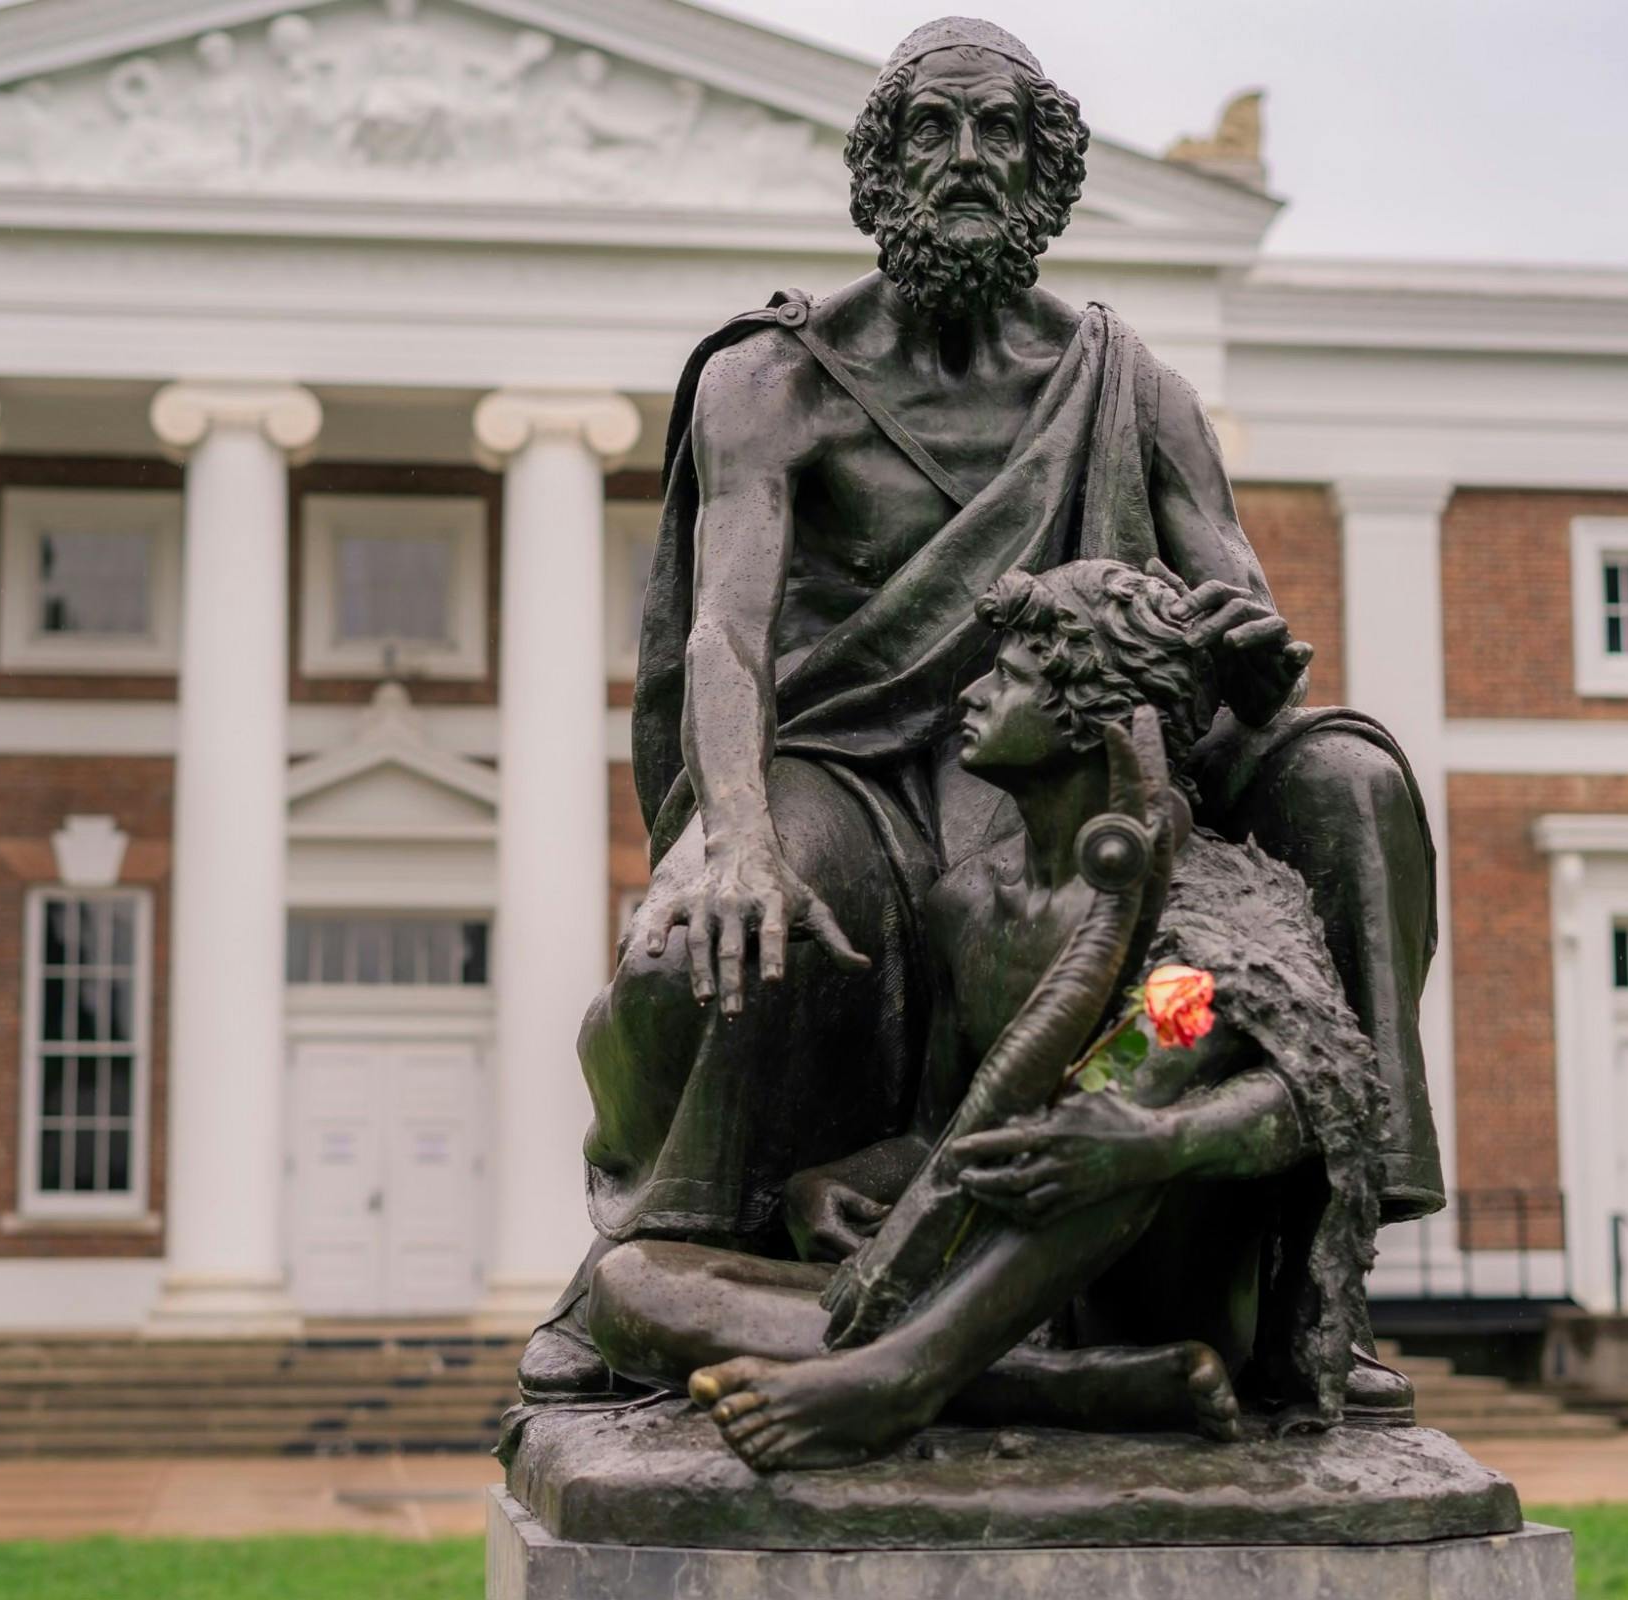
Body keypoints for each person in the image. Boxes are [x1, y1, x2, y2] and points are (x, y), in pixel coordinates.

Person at [517, 18, 1440, 1412]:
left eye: (998, 131)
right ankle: (678, 1224)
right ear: (878, 167)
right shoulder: (771, 379)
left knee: (1348, 779)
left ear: (1045, 170)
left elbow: (1231, 610)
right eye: (931, 129)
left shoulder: (1132, 385)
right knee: (735, 923)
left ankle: (1321, 1274)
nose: (965, 158)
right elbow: (726, 632)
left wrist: (1248, 662)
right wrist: (738, 838)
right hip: (842, 756)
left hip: (1061, 759)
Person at [579, 561, 1390, 1470]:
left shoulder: (1208, 910)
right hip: (970, 1279)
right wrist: (831, 1182)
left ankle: (905, 1380)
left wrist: (1158, 1144)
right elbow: (943, 1133)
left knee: (1122, 1087)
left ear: (1091, 715)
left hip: (1138, 1287)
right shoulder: (967, 905)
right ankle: (1071, 1388)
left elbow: (1309, 1095)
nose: (969, 694)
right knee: (635, 1287)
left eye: (1006, 677)